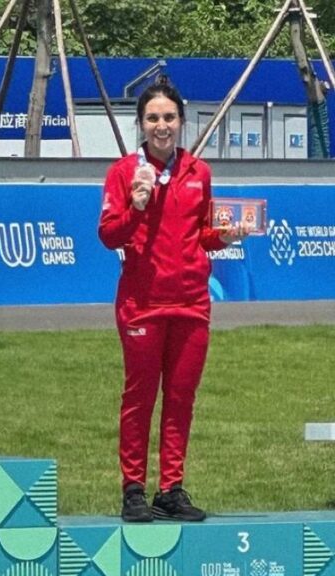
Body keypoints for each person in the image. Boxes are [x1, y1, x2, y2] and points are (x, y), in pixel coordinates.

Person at [98, 76, 247, 522]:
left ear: (181, 121)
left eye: (169, 117)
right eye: (152, 118)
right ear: (141, 124)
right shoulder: (123, 172)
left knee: (181, 397)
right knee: (140, 398)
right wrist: (136, 206)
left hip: (191, 303)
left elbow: (202, 234)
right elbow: (109, 235)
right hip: (142, 303)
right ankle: (132, 491)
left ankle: (171, 488)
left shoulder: (198, 172)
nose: (161, 126)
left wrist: (224, 235)